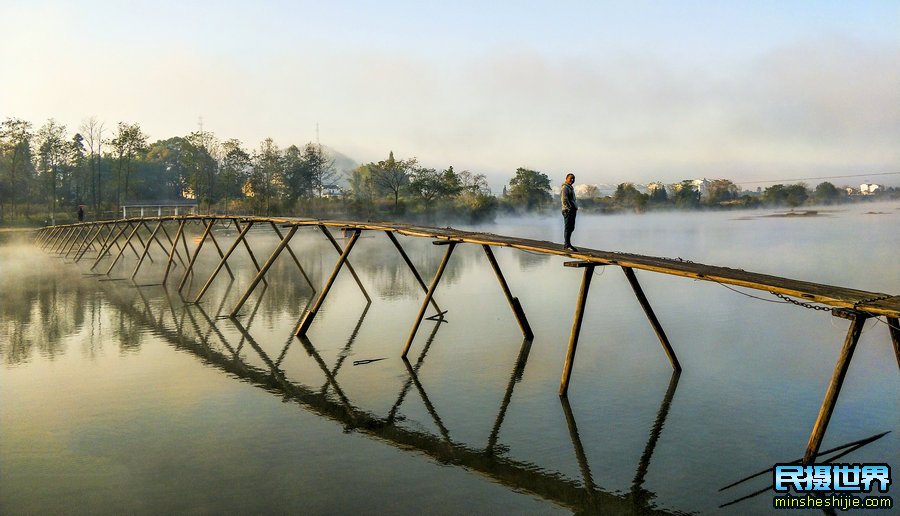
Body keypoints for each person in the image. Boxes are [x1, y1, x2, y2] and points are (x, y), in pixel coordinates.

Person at [560, 173, 578, 251]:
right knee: (568, 227)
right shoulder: (565, 188)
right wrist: (569, 208)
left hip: (572, 210)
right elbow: (564, 199)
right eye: (570, 178)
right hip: (568, 210)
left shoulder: (570, 188)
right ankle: (567, 245)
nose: (572, 180)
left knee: (571, 227)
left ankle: (568, 244)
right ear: (566, 178)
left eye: (573, 179)